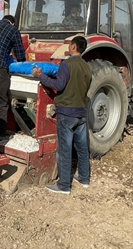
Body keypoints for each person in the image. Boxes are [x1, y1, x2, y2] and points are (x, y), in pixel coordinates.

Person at [31, 36, 91, 195]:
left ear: (73, 47)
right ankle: (84, 179)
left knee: (64, 149)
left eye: (70, 44)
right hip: (81, 112)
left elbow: (59, 85)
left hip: (66, 113)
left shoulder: (66, 64)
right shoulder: (87, 67)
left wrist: (41, 77)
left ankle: (64, 185)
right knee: (82, 147)